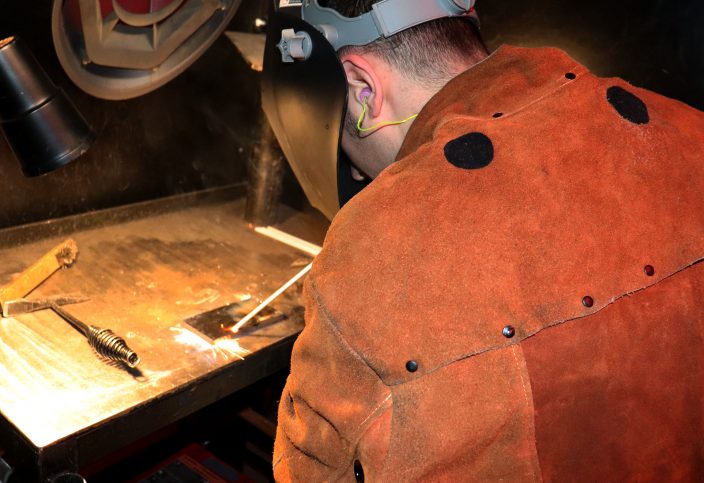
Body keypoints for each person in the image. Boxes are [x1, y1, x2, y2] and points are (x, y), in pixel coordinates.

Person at [262, 1, 704, 481]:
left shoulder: (370, 248)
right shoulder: (688, 129)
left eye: (348, 143)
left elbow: (311, 471)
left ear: (362, 87)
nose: (355, 171)